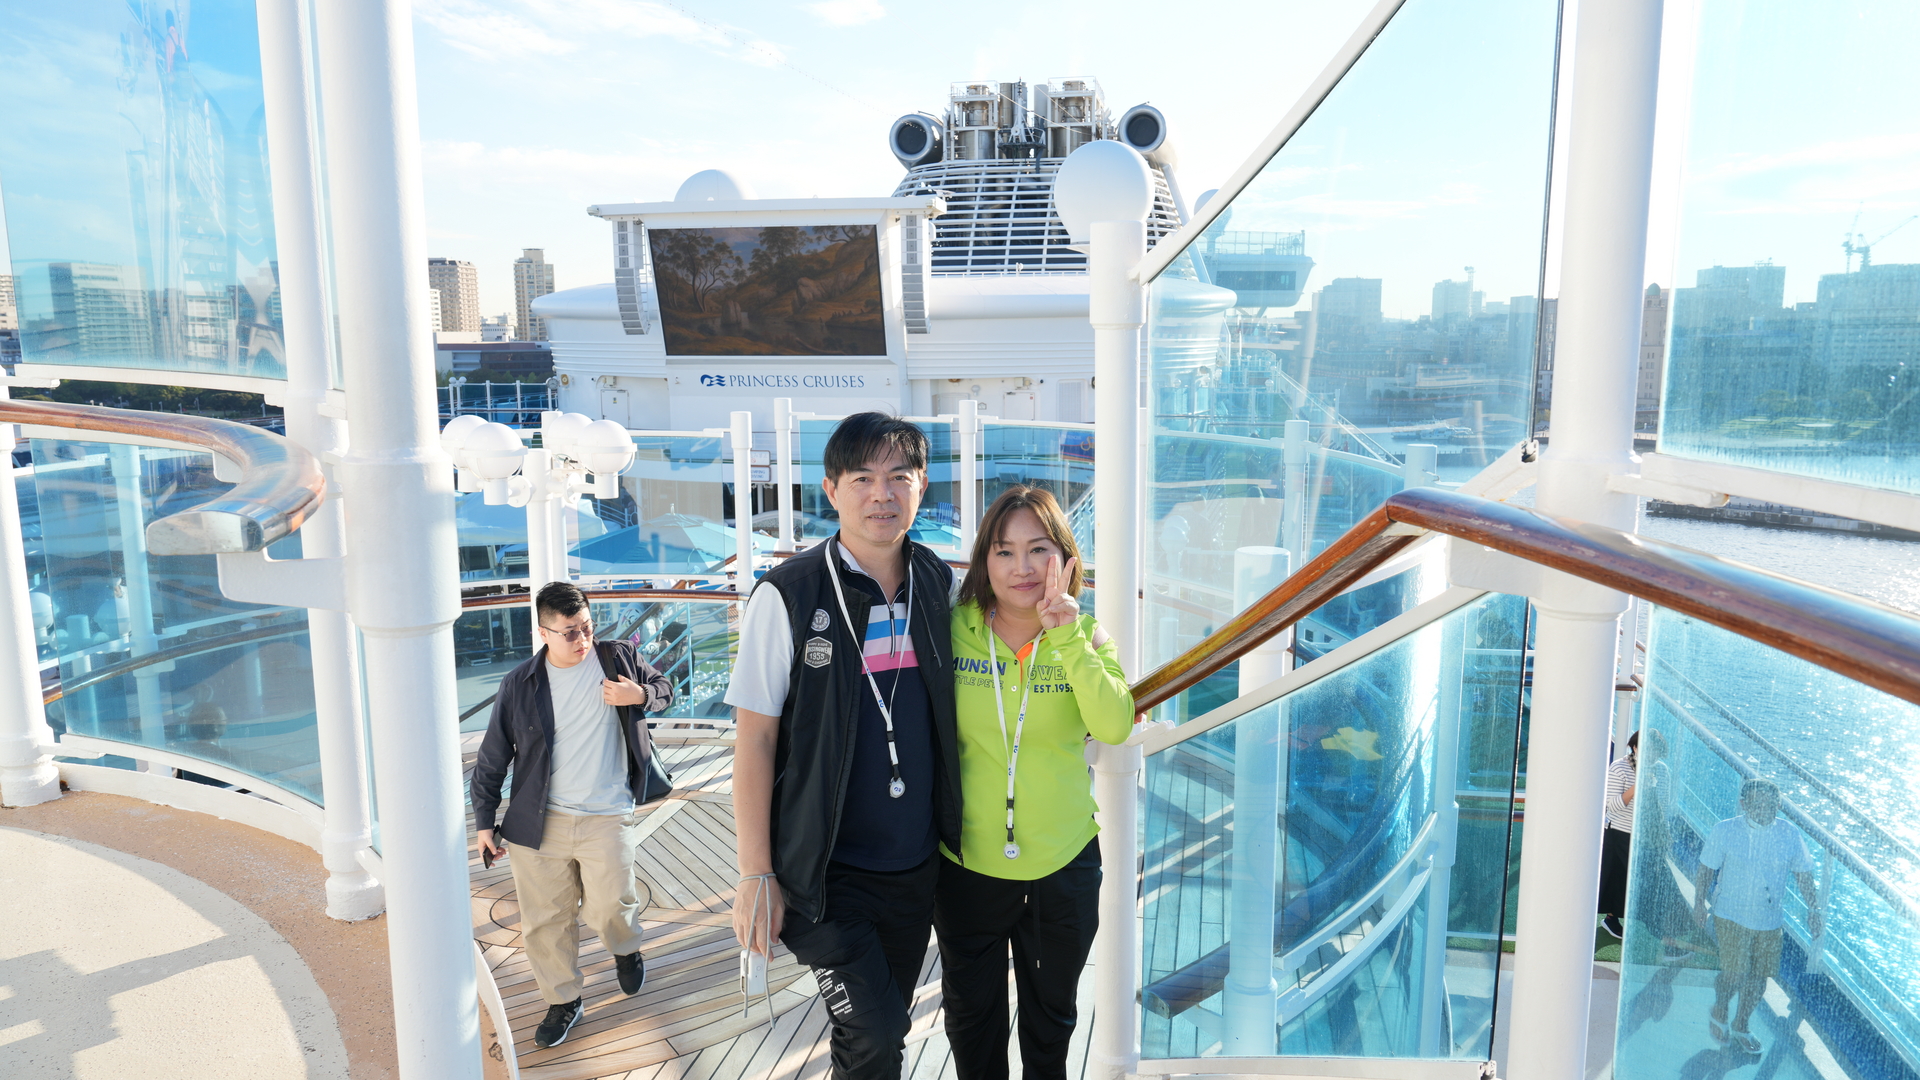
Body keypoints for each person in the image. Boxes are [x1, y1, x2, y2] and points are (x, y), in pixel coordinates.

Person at [727, 412, 961, 1080]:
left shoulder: (938, 586)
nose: (882, 494)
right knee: (878, 1030)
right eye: (862, 479)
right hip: (821, 876)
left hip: (914, 866)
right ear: (831, 490)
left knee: (871, 1037)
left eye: (899, 477)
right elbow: (755, 740)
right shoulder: (789, 595)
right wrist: (755, 874)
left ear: (921, 486)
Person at [935, 486, 1133, 1080]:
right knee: (972, 1027)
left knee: (1050, 1031)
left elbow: (1115, 725)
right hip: (966, 866)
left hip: (1062, 867)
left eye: (1038, 549)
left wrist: (1065, 635)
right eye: (1004, 551)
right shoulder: (950, 630)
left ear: (1065, 559)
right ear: (984, 561)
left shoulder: (1087, 637)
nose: (1021, 567)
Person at [471, 581, 676, 1049]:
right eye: (570, 632)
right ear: (543, 633)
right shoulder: (520, 684)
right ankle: (564, 1001)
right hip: (538, 821)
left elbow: (666, 689)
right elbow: (492, 757)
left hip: (607, 813)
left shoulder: (618, 657)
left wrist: (639, 695)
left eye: (586, 626)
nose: (583, 639)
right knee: (545, 921)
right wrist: (484, 821)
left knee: (610, 906)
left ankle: (625, 948)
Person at [1692, 777, 1822, 1055]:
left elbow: (1803, 875)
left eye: (1771, 804)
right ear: (1743, 804)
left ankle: (1741, 1024)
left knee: (1759, 978)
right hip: (1729, 914)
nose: (1764, 809)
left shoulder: (1790, 834)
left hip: (1769, 921)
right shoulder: (1725, 830)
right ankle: (1721, 1006)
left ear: (1779, 806)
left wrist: (1813, 910)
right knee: (1735, 973)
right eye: (1757, 803)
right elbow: (1706, 869)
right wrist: (1699, 903)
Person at [1597, 731, 1640, 940]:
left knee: (1634, 880)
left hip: (1644, 836)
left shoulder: (1661, 770)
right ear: (1634, 748)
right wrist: (1635, 788)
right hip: (1618, 832)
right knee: (1616, 878)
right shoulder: (1619, 767)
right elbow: (1611, 806)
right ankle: (1611, 919)